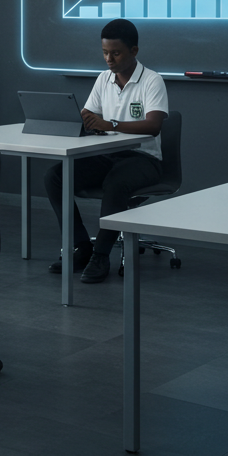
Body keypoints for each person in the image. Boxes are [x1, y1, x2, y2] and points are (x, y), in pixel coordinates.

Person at [44, 18, 167, 284]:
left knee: (116, 182)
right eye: (104, 52)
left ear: (134, 51)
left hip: (144, 158)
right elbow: (89, 112)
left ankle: (100, 255)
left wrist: (109, 124)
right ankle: (80, 246)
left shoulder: (152, 80)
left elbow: (154, 125)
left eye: (116, 53)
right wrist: (89, 120)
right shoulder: (103, 79)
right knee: (55, 176)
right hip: (108, 154)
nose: (108, 59)